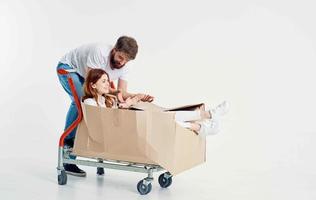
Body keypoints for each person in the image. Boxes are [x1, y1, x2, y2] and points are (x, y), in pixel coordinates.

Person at [57, 36, 153, 177]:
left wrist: (137, 96)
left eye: (126, 60)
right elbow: (91, 85)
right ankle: (68, 147)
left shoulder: (126, 65)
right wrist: (114, 94)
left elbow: (122, 92)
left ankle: (95, 150)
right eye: (120, 57)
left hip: (92, 77)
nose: (122, 62)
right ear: (114, 49)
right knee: (83, 104)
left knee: (103, 104)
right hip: (69, 69)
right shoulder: (99, 53)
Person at [83, 68, 228, 137]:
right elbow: (106, 121)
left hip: (130, 124)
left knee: (167, 116)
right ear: (93, 85)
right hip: (119, 132)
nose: (108, 84)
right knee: (164, 119)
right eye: (103, 81)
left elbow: (119, 112)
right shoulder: (89, 103)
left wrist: (133, 100)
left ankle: (208, 117)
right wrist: (127, 104)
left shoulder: (109, 99)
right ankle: (205, 124)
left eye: (108, 80)